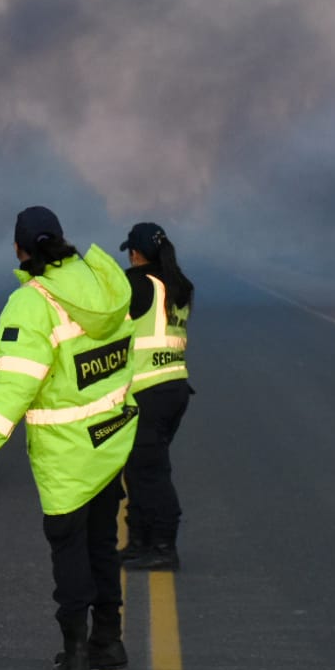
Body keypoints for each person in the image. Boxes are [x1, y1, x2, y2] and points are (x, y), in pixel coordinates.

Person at [0, 206, 139, 670]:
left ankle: (75, 657)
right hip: (112, 437)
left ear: (19, 250)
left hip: (66, 453)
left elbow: (15, 386)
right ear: (61, 238)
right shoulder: (103, 281)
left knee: (70, 551)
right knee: (103, 543)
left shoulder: (30, 305)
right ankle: (109, 642)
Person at [117, 221, 193, 572]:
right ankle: (139, 543)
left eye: (130, 251)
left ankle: (163, 545)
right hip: (174, 387)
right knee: (139, 468)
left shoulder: (138, 285)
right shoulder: (178, 286)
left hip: (148, 390)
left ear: (136, 252)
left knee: (149, 472)